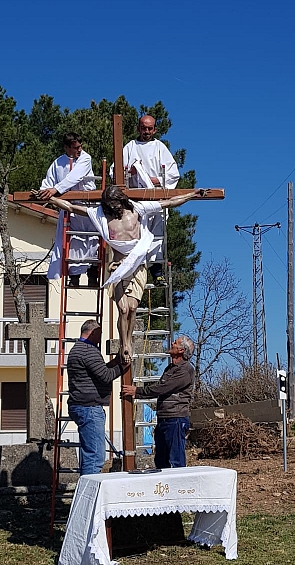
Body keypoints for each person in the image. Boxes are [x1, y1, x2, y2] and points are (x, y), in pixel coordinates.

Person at [49, 186, 208, 364]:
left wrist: (192, 195)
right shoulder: (101, 214)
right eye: (109, 204)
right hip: (118, 267)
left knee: (132, 308)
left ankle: (129, 339)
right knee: (123, 309)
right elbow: (71, 208)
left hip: (138, 265)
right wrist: (49, 199)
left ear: (121, 200)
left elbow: (169, 202)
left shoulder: (137, 209)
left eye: (115, 203)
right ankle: (125, 344)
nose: (113, 207)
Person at [113, 115, 181, 285]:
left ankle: (156, 271)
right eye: (144, 128)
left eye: (150, 128)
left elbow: (173, 175)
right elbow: (116, 172)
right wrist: (131, 174)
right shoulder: (130, 148)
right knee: (135, 236)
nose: (147, 131)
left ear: (155, 130)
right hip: (135, 201)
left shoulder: (160, 148)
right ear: (138, 128)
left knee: (156, 236)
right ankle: (132, 271)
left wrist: (152, 179)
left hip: (156, 199)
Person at [35, 132, 99, 287]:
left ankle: (92, 275)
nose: (79, 150)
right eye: (76, 147)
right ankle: (75, 277)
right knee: (74, 243)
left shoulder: (85, 158)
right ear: (67, 147)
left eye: (80, 146)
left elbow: (74, 177)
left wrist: (55, 190)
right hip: (70, 209)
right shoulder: (58, 163)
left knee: (93, 241)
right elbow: (48, 182)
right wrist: (42, 192)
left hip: (88, 206)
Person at [121, 335, 195, 468]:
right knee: (161, 460)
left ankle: (179, 487)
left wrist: (137, 391)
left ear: (181, 350)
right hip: (164, 419)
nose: (172, 343)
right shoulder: (170, 368)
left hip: (175, 419)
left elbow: (163, 388)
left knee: (176, 460)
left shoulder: (185, 370)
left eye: (176, 342)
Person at [67, 319, 129, 476]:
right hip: (89, 407)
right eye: (99, 334)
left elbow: (98, 371)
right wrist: (123, 366)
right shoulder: (89, 351)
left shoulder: (77, 349)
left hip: (80, 405)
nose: (100, 338)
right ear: (92, 333)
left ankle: (85, 489)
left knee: (89, 454)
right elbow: (106, 376)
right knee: (95, 457)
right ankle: (89, 494)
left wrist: (115, 361)